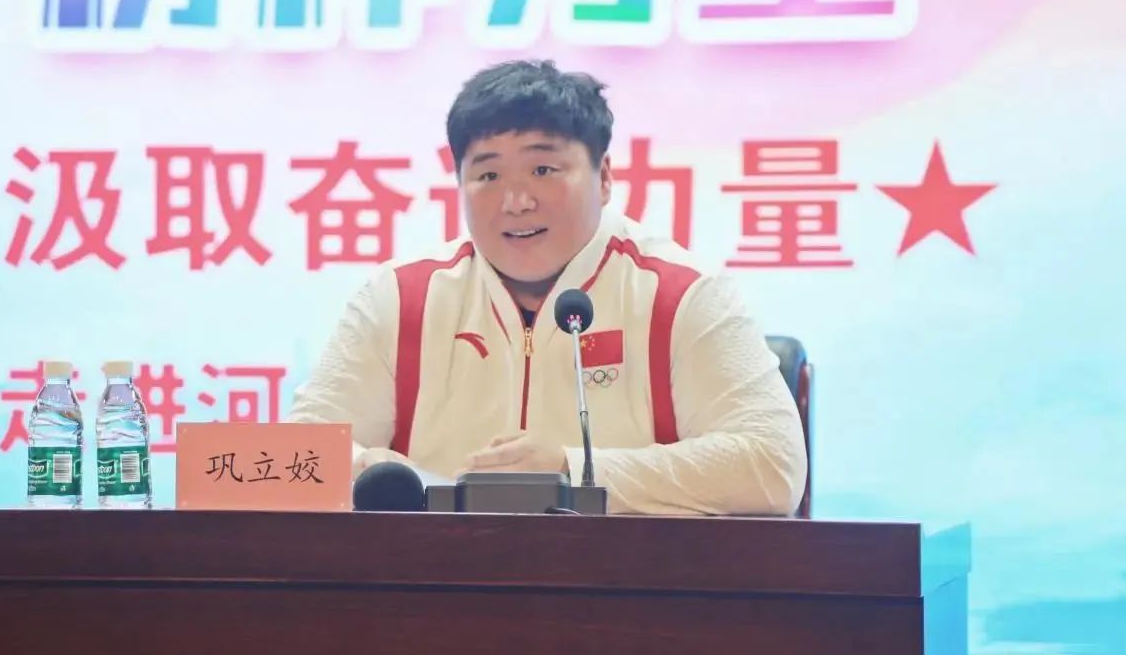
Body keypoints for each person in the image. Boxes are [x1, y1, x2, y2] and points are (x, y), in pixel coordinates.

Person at [289, 60, 807, 515]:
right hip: (432, 583)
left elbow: (771, 463)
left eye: (543, 169)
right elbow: (293, 457)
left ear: (604, 178)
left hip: (628, 588)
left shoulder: (680, 294)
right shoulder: (402, 298)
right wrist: (362, 467)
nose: (516, 201)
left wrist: (572, 471)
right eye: (488, 176)